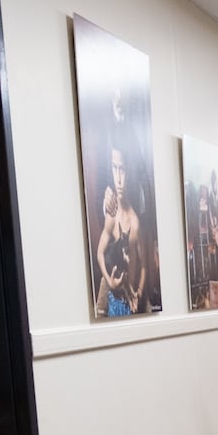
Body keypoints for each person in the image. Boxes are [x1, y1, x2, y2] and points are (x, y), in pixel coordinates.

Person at [95, 134, 145, 317]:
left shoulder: (136, 217)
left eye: (122, 170)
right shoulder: (110, 210)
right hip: (110, 290)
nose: (118, 178)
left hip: (130, 294)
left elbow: (143, 263)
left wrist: (137, 292)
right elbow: (100, 252)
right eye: (114, 169)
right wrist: (109, 281)